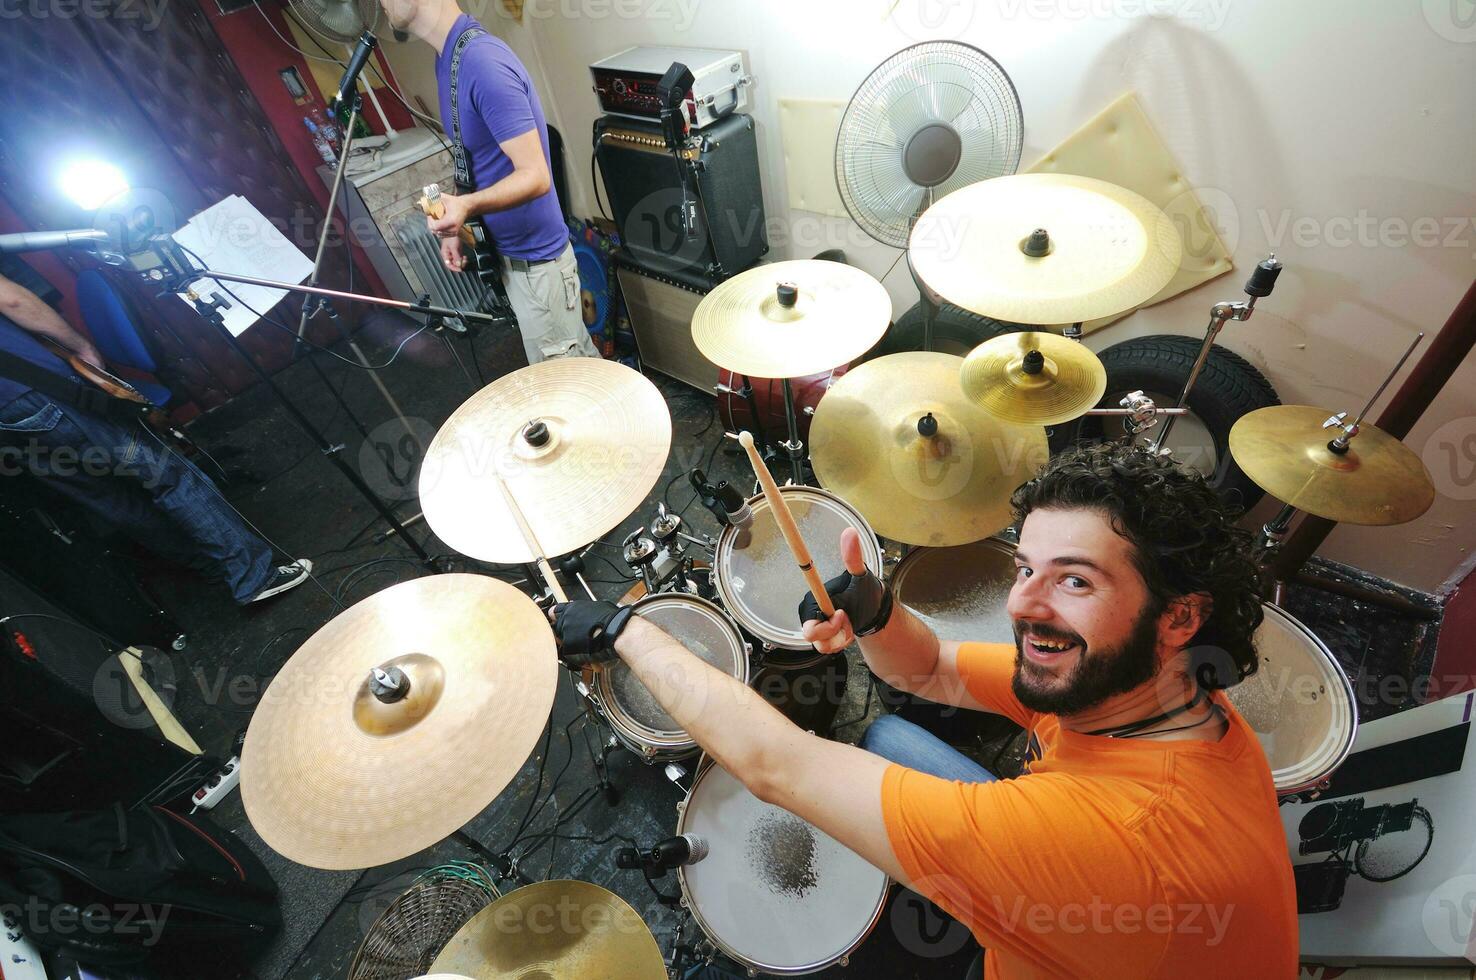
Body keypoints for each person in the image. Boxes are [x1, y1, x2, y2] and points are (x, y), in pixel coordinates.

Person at [551, 443, 1298, 977]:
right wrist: (876, 616)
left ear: (1178, 618)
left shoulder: (1107, 845)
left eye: (1075, 583)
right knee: (886, 732)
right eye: (1027, 569)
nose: (1021, 605)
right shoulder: (1147, 691)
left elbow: (778, 767)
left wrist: (629, 633)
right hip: (1088, 904)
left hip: (1086, 892)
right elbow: (933, 666)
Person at [0, 267, 311, 605]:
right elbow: (14, 301)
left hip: (10, 424)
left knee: (109, 498)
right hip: (40, 392)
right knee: (166, 474)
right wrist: (81, 347)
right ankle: (253, 576)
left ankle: (208, 565)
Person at [382, 0, 599, 364]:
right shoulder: (449, 58)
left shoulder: (481, 62)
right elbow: (473, 158)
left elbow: (536, 176)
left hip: (537, 267)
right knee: (578, 368)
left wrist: (466, 206)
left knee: (566, 384)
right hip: (514, 258)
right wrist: (455, 223)